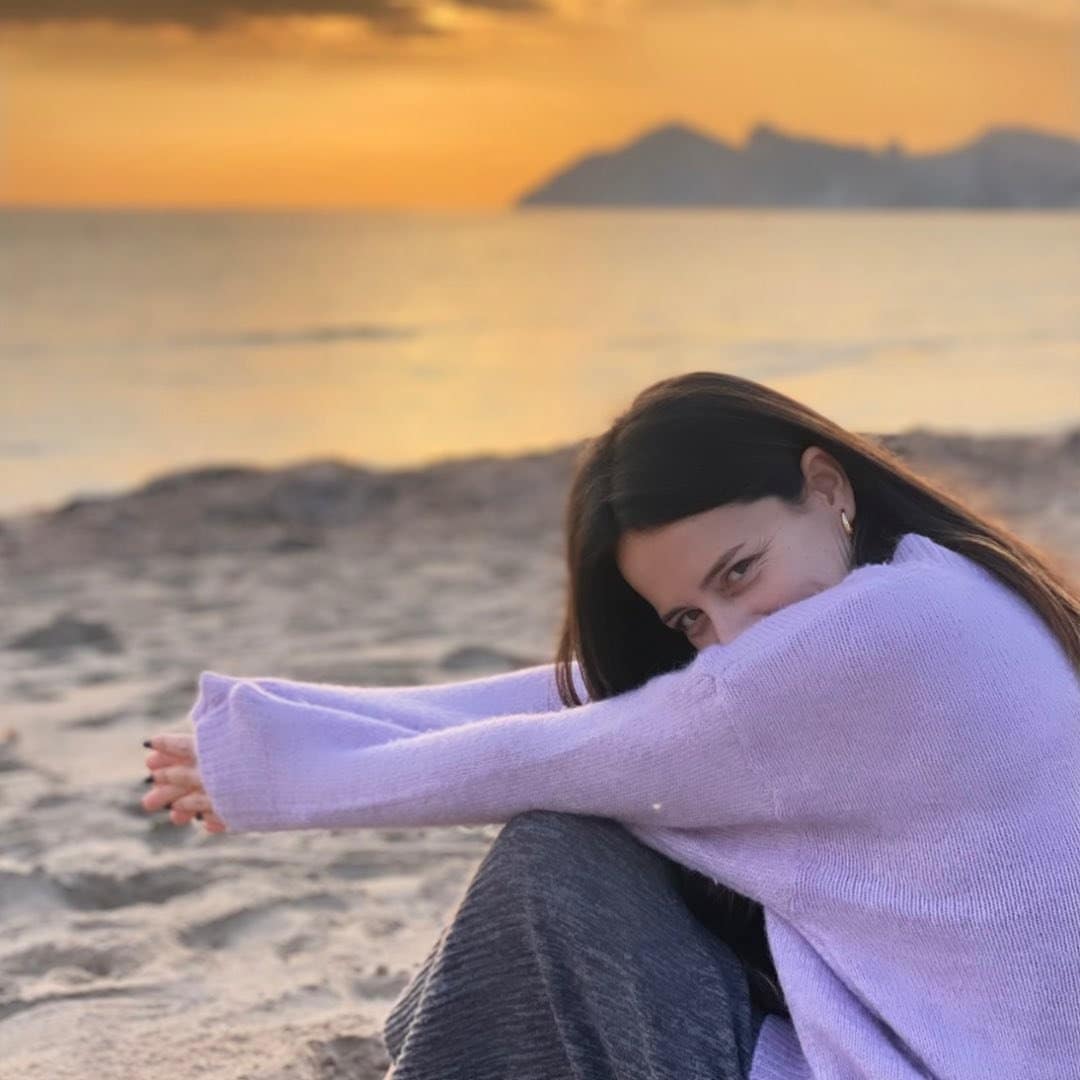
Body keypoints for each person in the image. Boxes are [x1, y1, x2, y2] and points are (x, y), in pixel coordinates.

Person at [142, 371, 1080, 1078]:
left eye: (739, 572)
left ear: (827, 486)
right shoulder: (948, 584)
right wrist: (280, 731)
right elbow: (602, 697)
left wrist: (281, 778)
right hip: (927, 1045)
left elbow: (564, 749)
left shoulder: (880, 635)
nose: (731, 640)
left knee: (558, 865)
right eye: (690, 622)